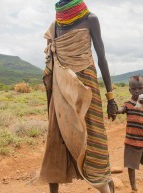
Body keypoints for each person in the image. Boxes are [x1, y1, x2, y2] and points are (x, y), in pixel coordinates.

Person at [40, 0, 118, 193]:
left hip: (87, 89)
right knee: (56, 136)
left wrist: (111, 97)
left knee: (94, 136)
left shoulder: (90, 19)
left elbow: (102, 59)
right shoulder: (56, 25)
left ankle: (104, 184)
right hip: (62, 87)